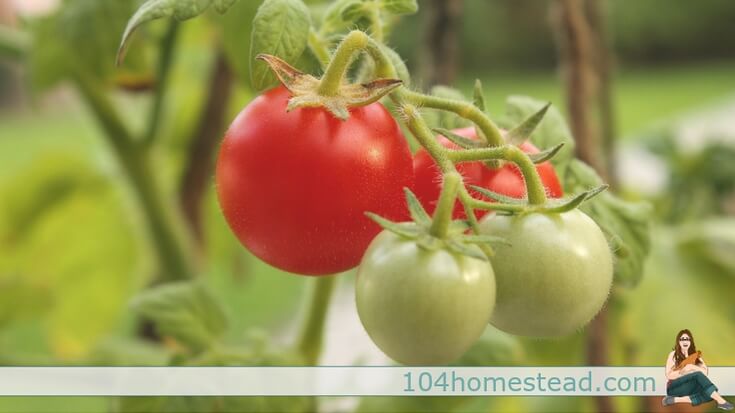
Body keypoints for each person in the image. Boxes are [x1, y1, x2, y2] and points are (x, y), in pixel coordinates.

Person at [662, 329, 733, 410]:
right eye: (682, 339)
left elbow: (705, 372)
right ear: (678, 341)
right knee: (699, 377)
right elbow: (669, 375)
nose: (685, 341)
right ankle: (721, 401)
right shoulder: (673, 355)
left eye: (687, 339)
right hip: (675, 387)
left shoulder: (695, 355)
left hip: (690, 386)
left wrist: (693, 367)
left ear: (691, 341)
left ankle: (673, 400)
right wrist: (684, 371)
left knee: (710, 394)